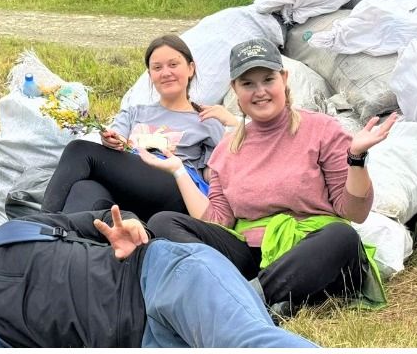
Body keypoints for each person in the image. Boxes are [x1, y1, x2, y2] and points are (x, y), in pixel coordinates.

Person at [142, 38, 399, 315]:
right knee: (163, 222)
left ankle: (241, 300)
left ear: (284, 79)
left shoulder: (322, 129)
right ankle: (270, 297)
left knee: (342, 236)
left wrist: (356, 159)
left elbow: (354, 212)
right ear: (235, 90)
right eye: (248, 83)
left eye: (268, 79)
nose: (260, 91)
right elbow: (219, 221)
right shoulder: (226, 151)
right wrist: (179, 170)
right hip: (253, 254)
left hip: (312, 252)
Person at [0, 206, 317, 347]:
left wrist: (135, 229)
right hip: (142, 343)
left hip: (157, 278)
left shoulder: (16, 232)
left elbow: (111, 218)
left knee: (251, 345)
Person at [41, 35, 230, 222]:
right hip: (130, 187)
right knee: (83, 189)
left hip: (174, 188)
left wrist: (234, 125)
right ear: (150, 75)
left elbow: (223, 169)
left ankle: (37, 226)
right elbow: (117, 145)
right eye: (157, 67)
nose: (165, 73)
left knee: (79, 150)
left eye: (173, 65)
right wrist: (112, 141)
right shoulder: (134, 113)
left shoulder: (207, 119)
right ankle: (62, 244)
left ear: (190, 68)